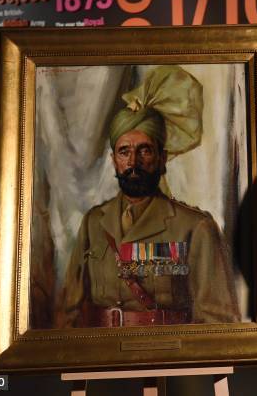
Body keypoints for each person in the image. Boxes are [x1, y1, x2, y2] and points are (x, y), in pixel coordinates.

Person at [58, 65, 240, 328]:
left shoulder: (195, 227)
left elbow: (217, 318)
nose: (133, 161)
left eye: (144, 151)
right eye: (124, 152)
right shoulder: (94, 222)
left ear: (162, 158)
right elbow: (70, 309)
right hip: (102, 354)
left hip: (165, 352)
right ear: (114, 160)